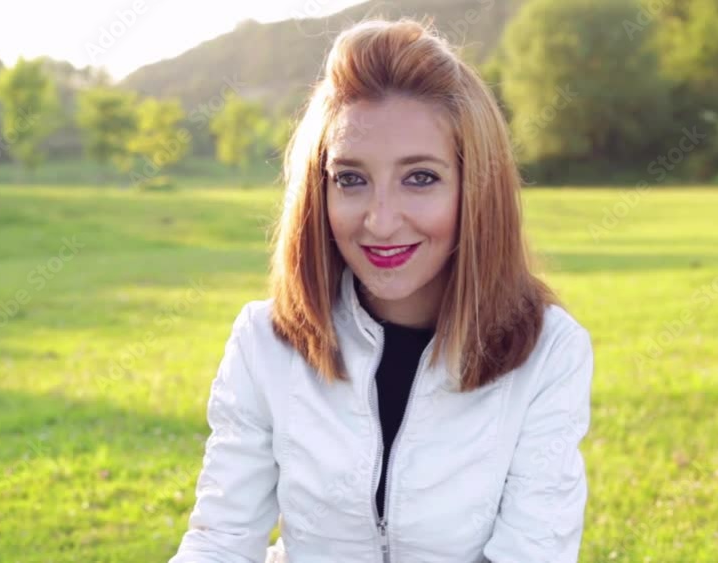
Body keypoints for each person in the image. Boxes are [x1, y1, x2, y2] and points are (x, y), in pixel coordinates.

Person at [170, 17, 594, 563]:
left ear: (477, 189)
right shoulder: (263, 341)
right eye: (350, 178)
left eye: (420, 177)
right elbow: (222, 540)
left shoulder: (550, 351)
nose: (381, 220)